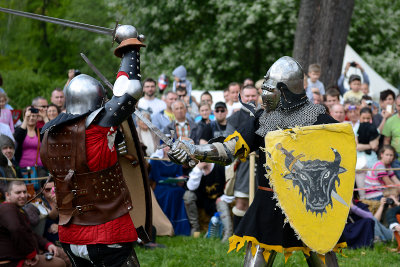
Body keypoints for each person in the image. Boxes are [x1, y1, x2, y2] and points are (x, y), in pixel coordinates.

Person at [167, 56, 345, 265]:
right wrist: (194, 150)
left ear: (284, 90)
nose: (264, 95)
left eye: (269, 89)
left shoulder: (321, 120)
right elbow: (228, 149)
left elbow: (342, 153)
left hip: (311, 205)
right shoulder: (264, 119)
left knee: (323, 258)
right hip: (270, 203)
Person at [39, 26, 148, 266]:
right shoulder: (98, 130)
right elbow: (130, 90)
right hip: (108, 234)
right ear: (98, 105)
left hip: (69, 236)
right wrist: (129, 45)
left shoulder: (46, 134)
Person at [0, 181, 65, 267]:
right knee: (60, 263)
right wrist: (30, 254)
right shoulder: (7, 208)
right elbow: (16, 230)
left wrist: (47, 244)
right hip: (14, 261)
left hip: (26, 254)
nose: (23, 195)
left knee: (64, 254)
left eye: (24, 192)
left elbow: (29, 233)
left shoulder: (17, 209)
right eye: (18, 193)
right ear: (7, 195)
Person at [149, 146, 191, 236]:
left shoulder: (176, 160)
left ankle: (180, 228)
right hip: (161, 187)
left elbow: (180, 175)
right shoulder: (155, 159)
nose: (169, 147)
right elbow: (156, 178)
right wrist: (172, 179)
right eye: (167, 145)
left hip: (174, 187)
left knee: (180, 192)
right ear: (163, 147)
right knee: (171, 193)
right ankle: (168, 225)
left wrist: (180, 181)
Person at [184, 161, 230, 239]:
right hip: (204, 201)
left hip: (220, 199)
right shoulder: (196, 170)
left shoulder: (221, 167)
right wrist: (198, 169)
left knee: (222, 203)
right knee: (188, 196)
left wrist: (224, 197)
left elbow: (231, 185)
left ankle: (227, 234)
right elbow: (191, 187)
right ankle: (196, 229)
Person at [14, 107, 47, 191]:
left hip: (39, 167)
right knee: (26, 191)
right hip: (23, 167)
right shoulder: (20, 130)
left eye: (34, 116)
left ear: (37, 118)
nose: (31, 118)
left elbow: (51, 133)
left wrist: (45, 117)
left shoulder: (40, 131)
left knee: (41, 190)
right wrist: (25, 119)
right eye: (29, 116)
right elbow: (17, 138)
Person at [382, 94, 400, 179]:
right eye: (399, 105)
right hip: (396, 159)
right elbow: (386, 141)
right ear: (395, 105)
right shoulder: (390, 121)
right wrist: (389, 157)